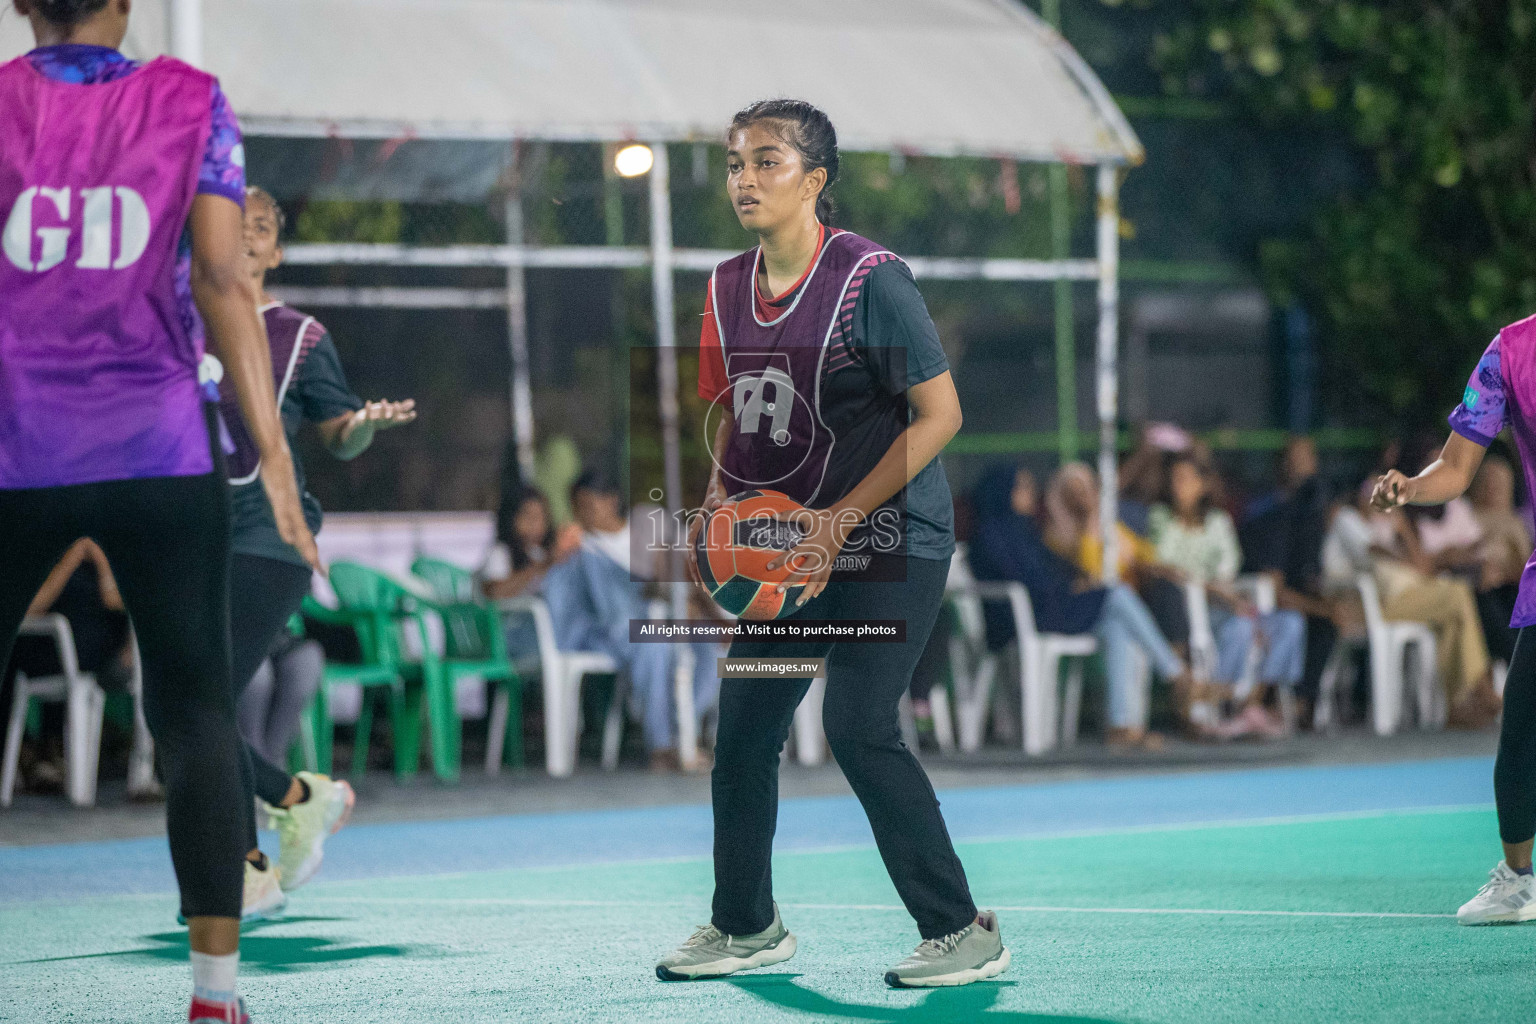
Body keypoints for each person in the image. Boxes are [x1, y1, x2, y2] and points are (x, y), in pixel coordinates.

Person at [0, 3, 320, 1020]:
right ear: (126, 5)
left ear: (17, 6)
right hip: (156, 441)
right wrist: (274, 460)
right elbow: (224, 278)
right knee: (192, 711)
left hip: (20, 441)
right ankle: (216, 997)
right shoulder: (191, 99)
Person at [660, 99, 1006, 989]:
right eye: (736, 163)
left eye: (766, 162)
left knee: (857, 725)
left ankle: (961, 928)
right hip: (783, 550)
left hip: (889, 543)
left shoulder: (872, 281)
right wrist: (714, 525)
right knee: (742, 733)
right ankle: (746, 924)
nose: (744, 179)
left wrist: (837, 520)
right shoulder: (723, 288)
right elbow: (733, 417)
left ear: (815, 180)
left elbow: (942, 416)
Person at [209, 185, 418, 919]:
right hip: (190, 538)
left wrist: (362, 425)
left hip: (271, 537)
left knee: (200, 701)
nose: (246, 236)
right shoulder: (177, 326)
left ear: (276, 250)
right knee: (185, 710)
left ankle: (247, 868)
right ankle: (299, 799)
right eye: (232, 224)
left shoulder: (297, 336)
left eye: (260, 227)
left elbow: (339, 435)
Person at [1371, 321, 1536, 924]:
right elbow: (1457, 464)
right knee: (1520, 736)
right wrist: (1410, 489)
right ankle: (1518, 881)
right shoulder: (1511, 351)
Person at [970, 465, 1199, 748]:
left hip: (1051, 608)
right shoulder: (993, 534)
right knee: (1115, 594)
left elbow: (1054, 567)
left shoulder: (1023, 529)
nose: (1031, 494)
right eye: (1023, 488)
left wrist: (1078, 579)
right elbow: (1024, 580)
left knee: (1116, 624)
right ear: (1004, 492)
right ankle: (1175, 673)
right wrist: (1070, 585)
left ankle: (1121, 726)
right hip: (1027, 616)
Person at [542, 472, 719, 773]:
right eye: (576, 505)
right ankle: (662, 745)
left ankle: (680, 731)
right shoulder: (580, 546)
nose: (582, 512)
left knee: (713, 651)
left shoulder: (647, 524)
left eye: (587, 503)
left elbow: (684, 576)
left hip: (668, 618)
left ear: (611, 500)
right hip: (614, 628)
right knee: (653, 644)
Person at [1150, 454, 1305, 739]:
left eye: (1186, 479)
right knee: (1241, 627)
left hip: (1231, 603)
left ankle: (1251, 704)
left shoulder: (1219, 522)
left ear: (1203, 486)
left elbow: (1228, 571)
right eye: (1174, 479)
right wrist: (1212, 590)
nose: (1178, 486)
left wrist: (1231, 597)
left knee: (1290, 623)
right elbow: (1164, 565)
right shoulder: (1161, 519)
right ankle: (1223, 706)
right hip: (1193, 613)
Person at [1326, 480, 1498, 727]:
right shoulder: (1347, 519)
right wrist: (1402, 552)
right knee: (1458, 594)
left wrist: (1403, 526)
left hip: (1410, 596)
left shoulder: (1390, 526)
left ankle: (1456, 706)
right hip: (1378, 605)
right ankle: (1481, 688)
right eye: (1374, 491)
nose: (1381, 498)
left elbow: (1423, 567)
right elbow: (1373, 550)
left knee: (1452, 619)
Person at [1, 538, 133, 794]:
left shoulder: (103, 558)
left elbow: (114, 600)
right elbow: (30, 608)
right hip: (45, 652)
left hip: (100, 657)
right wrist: (69, 559)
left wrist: (100, 558)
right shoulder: (48, 558)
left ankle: (53, 755)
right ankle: (35, 755)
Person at [1238, 436, 1339, 726]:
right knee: (1300, 621)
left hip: (1295, 599)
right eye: (1295, 461)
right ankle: (1269, 704)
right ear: (1282, 466)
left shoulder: (1313, 514)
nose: (1301, 469)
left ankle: (1301, 704)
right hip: (1259, 604)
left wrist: (1329, 605)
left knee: (1326, 623)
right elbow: (1274, 590)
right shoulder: (1267, 516)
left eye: (1307, 461)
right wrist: (1321, 609)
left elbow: (1309, 577)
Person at [1470, 454, 1532, 665]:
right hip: (1481, 589)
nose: (1494, 489)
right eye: (1489, 483)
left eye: (1499, 483)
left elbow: (1525, 568)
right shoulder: (1468, 516)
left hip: (1511, 587)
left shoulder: (1515, 522)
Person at [236, 625, 323, 772]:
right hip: (231, 639)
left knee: (308, 660)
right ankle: (251, 768)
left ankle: (273, 766)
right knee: (256, 676)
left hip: (274, 637)